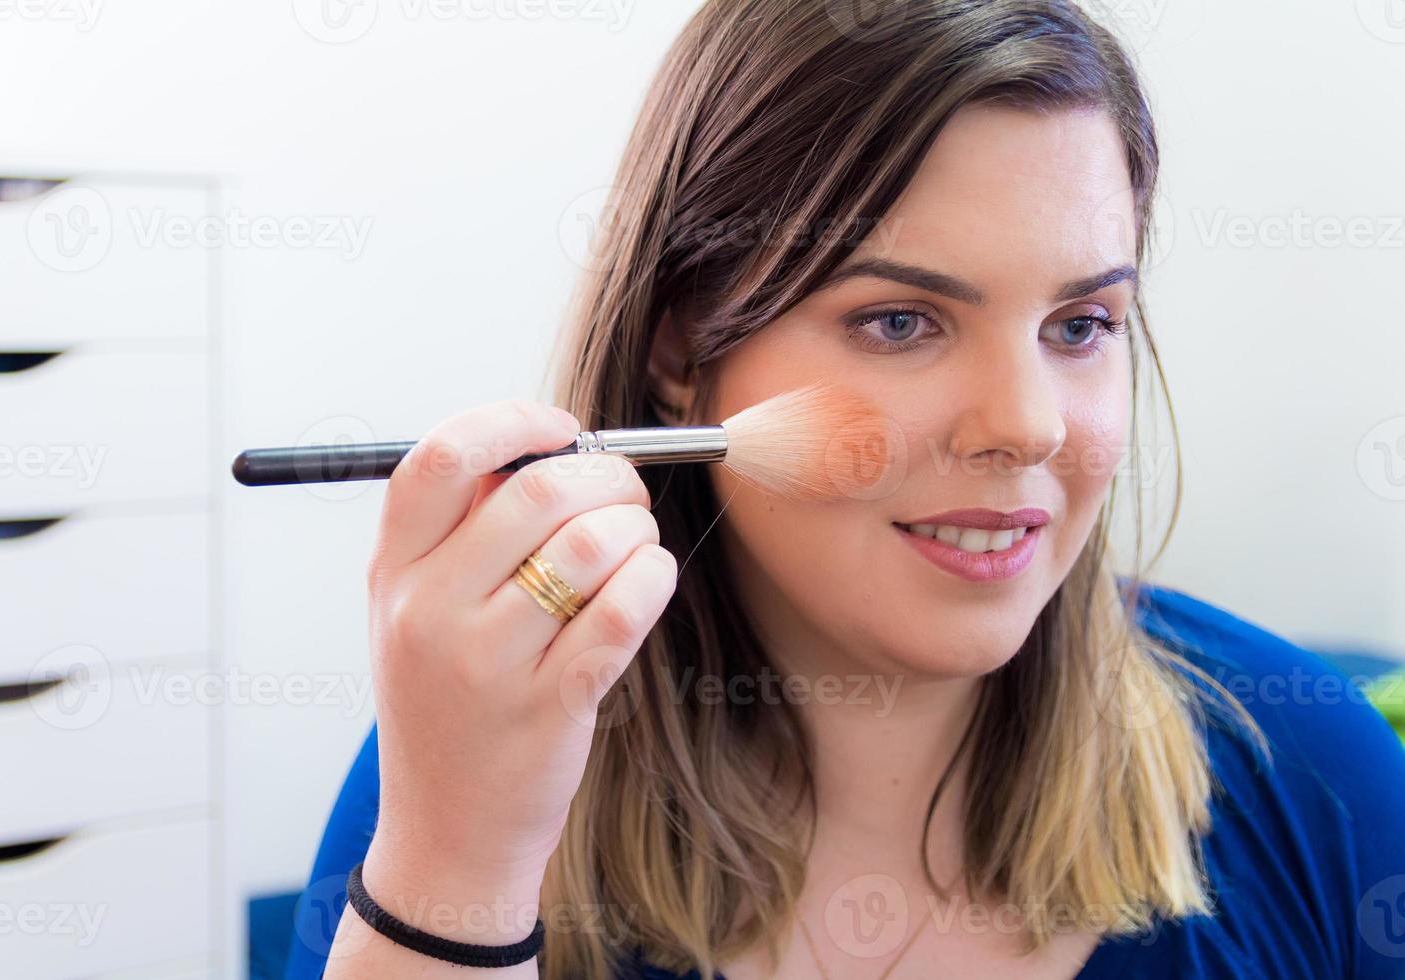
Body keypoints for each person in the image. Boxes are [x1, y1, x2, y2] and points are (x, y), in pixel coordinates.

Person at [288, 1, 1405, 976]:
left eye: (1081, 324)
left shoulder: (1318, 769)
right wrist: (459, 866)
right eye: (900, 321)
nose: (1027, 424)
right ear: (682, 353)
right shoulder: (462, 770)